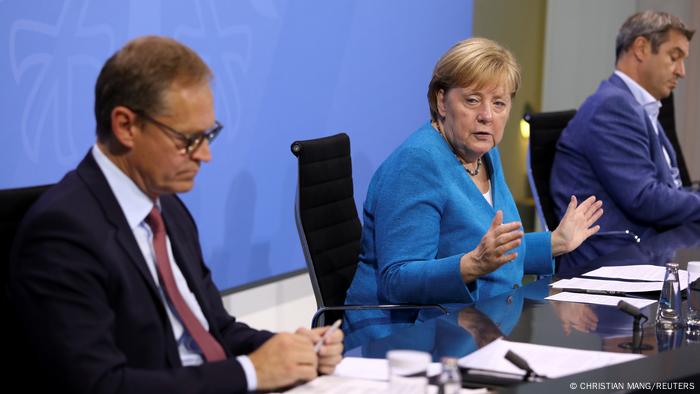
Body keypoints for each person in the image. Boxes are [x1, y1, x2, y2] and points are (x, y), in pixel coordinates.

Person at [9, 36, 342, 394]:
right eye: (188, 139)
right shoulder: (63, 232)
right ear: (126, 126)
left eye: (208, 136)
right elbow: (100, 385)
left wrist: (290, 352)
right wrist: (251, 373)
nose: (204, 156)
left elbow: (217, 330)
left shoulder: (168, 209)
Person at [343, 37, 603, 340]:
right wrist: (471, 265)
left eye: (499, 103)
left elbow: (494, 252)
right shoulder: (417, 164)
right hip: (406, 341)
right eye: (472, 100)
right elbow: (396, 280)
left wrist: (556, 242)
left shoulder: (485, 153)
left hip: (477, 326)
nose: (487, 115)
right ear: (441, 101)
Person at [550, 10, 697, 263]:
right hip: (608, 265)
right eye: (674, 57)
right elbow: (644, 199)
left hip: (638, 254)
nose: (681, 71)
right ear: (640, 48)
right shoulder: (612, 107)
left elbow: (668, 187)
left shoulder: (634, 106)